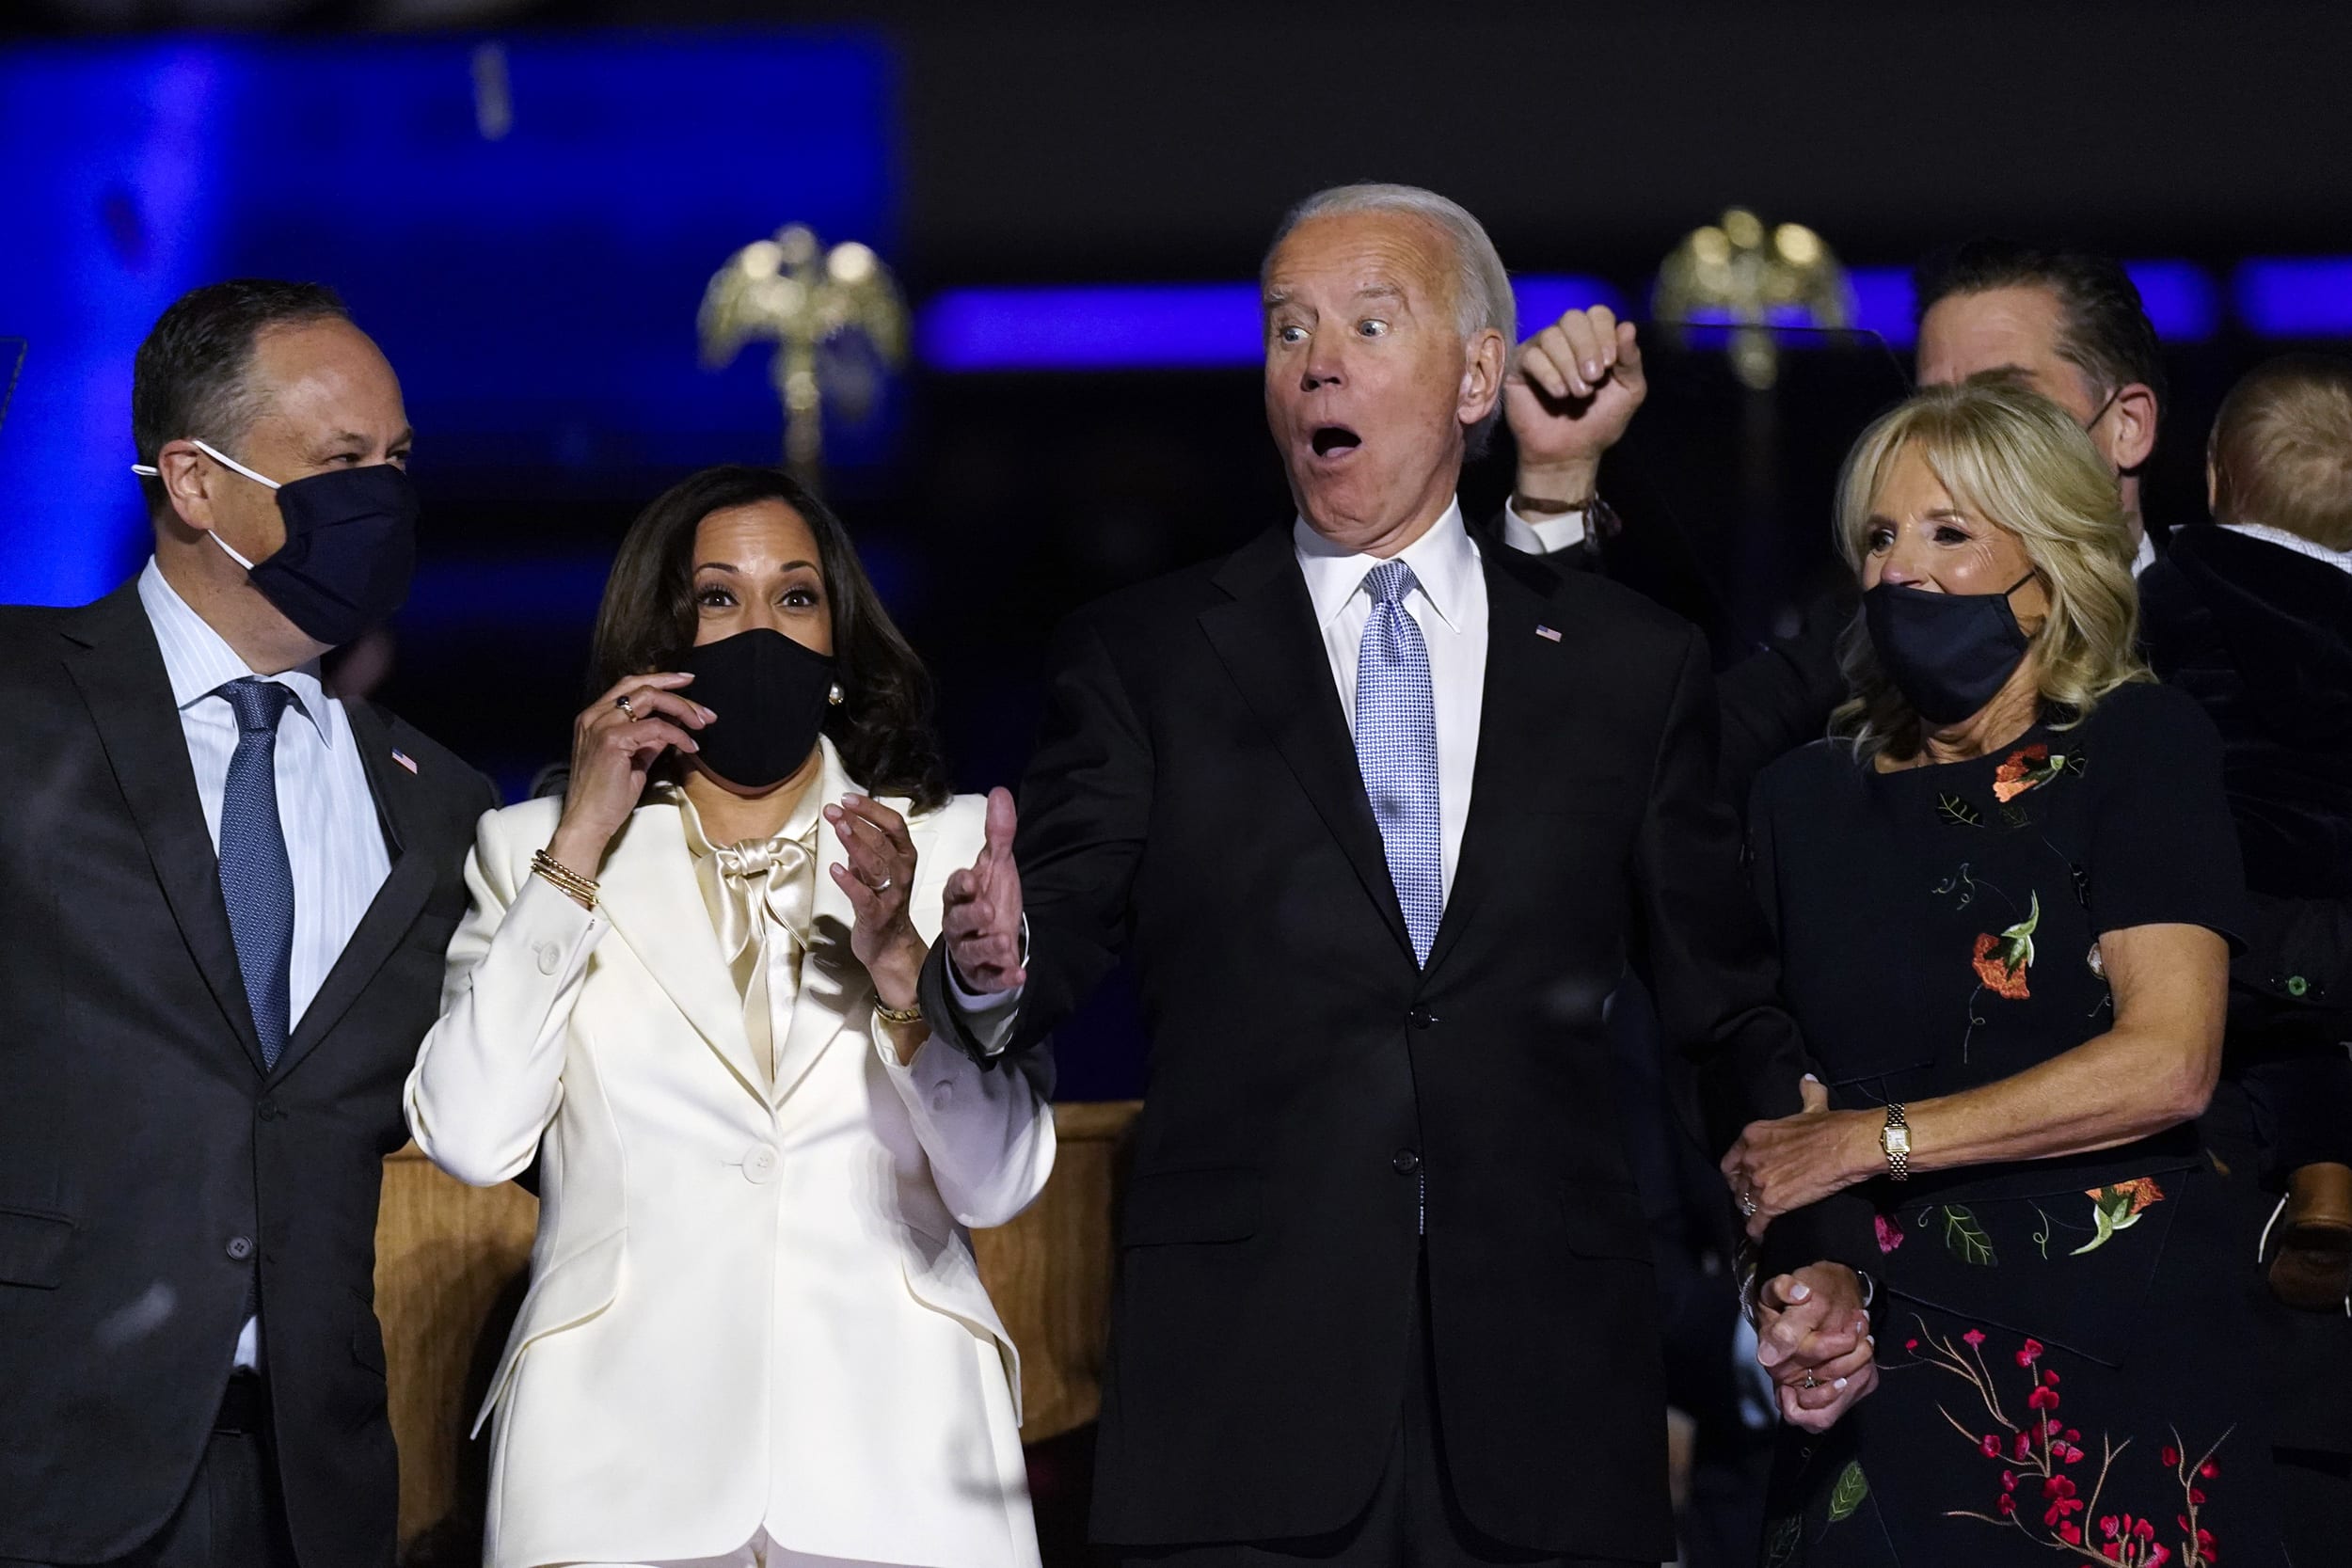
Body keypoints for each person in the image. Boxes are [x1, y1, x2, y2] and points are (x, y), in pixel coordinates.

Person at [917, 182, 1846, 1567]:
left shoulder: (1619, 665)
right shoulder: (1151, 655)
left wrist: (1802, 1243)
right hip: (1245, 1404)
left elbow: (1721, 1006)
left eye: (1367, 321)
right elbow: (1047, 937)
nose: (1319, 362)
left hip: (1545, 1406)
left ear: (1478, 374)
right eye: (1288, 330)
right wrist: (988, 964)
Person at [404, 464, 1052, 1568]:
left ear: (839, 643)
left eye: (795, 597)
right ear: (661, 636)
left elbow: (996, 1184)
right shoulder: (531, 852)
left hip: (903, 1473)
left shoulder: (943, 853)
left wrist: (902, 966)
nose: (760, 626)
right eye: (719, 597)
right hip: (611, 1478)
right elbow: (469, 1135)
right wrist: (577, 853)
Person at [1722, 380, 2283, 1564]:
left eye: (1948, 530)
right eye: (1878, 535)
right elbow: (1786, 1114)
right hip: (1887, 1387)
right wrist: (1800, 1282)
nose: (1901, 570)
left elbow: (2168, 1061)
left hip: (2111, 1372)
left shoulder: (2138, 744)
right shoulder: (1803, 800)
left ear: (2052, 559)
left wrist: (1874, 1140)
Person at [0, 279, 494, 1567]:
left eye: (395, 461)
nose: (378, 496)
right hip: (40, 1449)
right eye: (339, 463)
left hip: (310, 1480)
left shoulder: (444, 806)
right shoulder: (18, 699)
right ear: (193, 480)